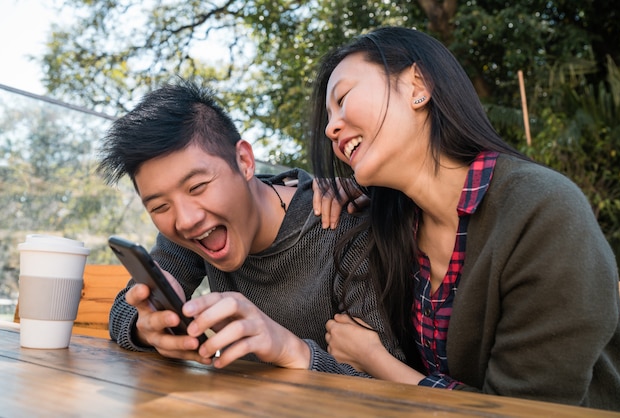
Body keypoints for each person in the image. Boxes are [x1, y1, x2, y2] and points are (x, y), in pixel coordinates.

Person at [309, 26, 620, 411]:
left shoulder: (544, 213)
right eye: (328, 117)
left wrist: (378, 362)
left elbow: (526, 411)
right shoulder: (394, 229)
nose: (330, 127)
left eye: (342, 98)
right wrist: (315, 188)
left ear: (418, 85)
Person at [97, 79, 404, 373]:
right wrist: (144, 328)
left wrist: (293, 351)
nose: (186, 219)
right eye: (160, 206)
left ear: (244, 161)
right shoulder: (187, 233)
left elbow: (394, 387)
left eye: (198, 186)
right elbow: (122, 312)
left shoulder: (344, 225)